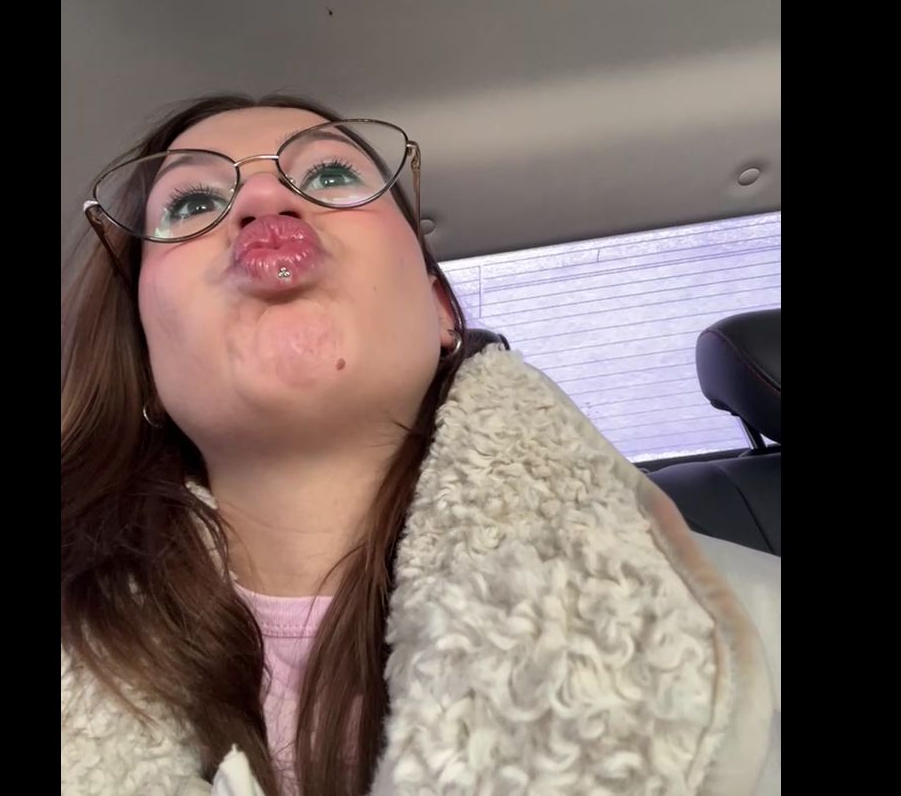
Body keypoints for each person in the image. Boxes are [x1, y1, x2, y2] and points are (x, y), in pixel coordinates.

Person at [61, 93, 780, 796]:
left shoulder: (750, 624)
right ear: (144, 364)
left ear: (441, 312)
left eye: (329, 175)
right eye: (193, 203)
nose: (263, 201)